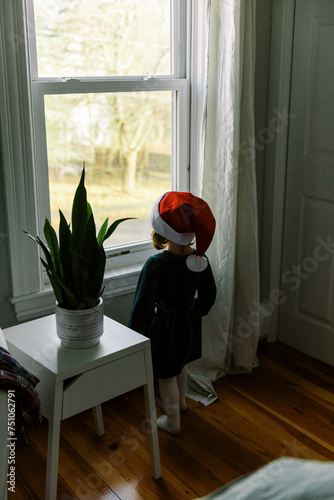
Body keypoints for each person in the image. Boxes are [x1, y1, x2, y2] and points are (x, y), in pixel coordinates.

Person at [128, 191, 217, 434]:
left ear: (161, 230)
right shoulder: (200, 259)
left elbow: (143, 306)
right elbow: (209, 296)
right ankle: (181, 404)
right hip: (190, 325)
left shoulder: (155, 264)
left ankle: (173, 421)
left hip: (165, 328)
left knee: (166, 374)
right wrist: (194, 310)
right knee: (181, 365)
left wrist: (134, 334)